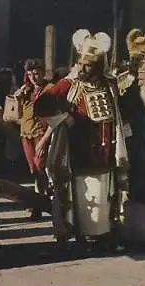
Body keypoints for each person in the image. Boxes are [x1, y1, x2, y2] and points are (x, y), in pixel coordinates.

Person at [34, 30, 129, 252]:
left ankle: (104, 236)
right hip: (81, 152)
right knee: (85, 198)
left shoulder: (109, 84)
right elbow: (42, 105)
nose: (85, 68)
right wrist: (64, 118)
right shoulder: (71, 84)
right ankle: (83, 236)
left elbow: (120, 111)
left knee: (105, 198)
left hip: (106, 152)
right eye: (82, 64)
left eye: (89, 65)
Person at [115, 29, 145, 250]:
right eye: (133, 60)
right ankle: (129, 231)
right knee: (127, 184)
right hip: (128, 141)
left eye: (139, 60)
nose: (135, 64)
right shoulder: (122, 81)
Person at [12, 59, 54, 220]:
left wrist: (45, 138)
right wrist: (18, 99)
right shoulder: (26, 90)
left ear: (43, 72)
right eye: (29, 74)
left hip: (40, 134)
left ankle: (41, 203)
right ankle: (40, 203)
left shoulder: (49, 89)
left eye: (36, 73)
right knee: (35, 171)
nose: (33, 77)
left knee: (40, 167)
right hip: (26, 134)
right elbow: (17, 116)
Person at [0, 67, 22, 177]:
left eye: (7, 79)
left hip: (11, 127)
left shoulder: (16, 94)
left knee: (10, 152)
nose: (4, 82)